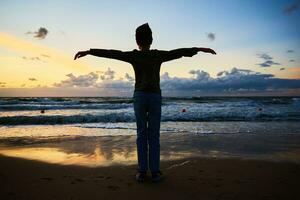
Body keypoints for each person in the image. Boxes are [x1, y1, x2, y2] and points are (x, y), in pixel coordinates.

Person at [74, 23, 216, 183]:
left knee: (142, 134)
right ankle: (154, 172)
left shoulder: (134, 55)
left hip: (140, 96)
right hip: (154, 96)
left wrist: (90, 52)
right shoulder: (158, 55)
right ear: (151, 40)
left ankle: (142, 171)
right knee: (153, 135)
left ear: (137, 41)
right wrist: (199, 49)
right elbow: (179, 53)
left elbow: (112, 54)